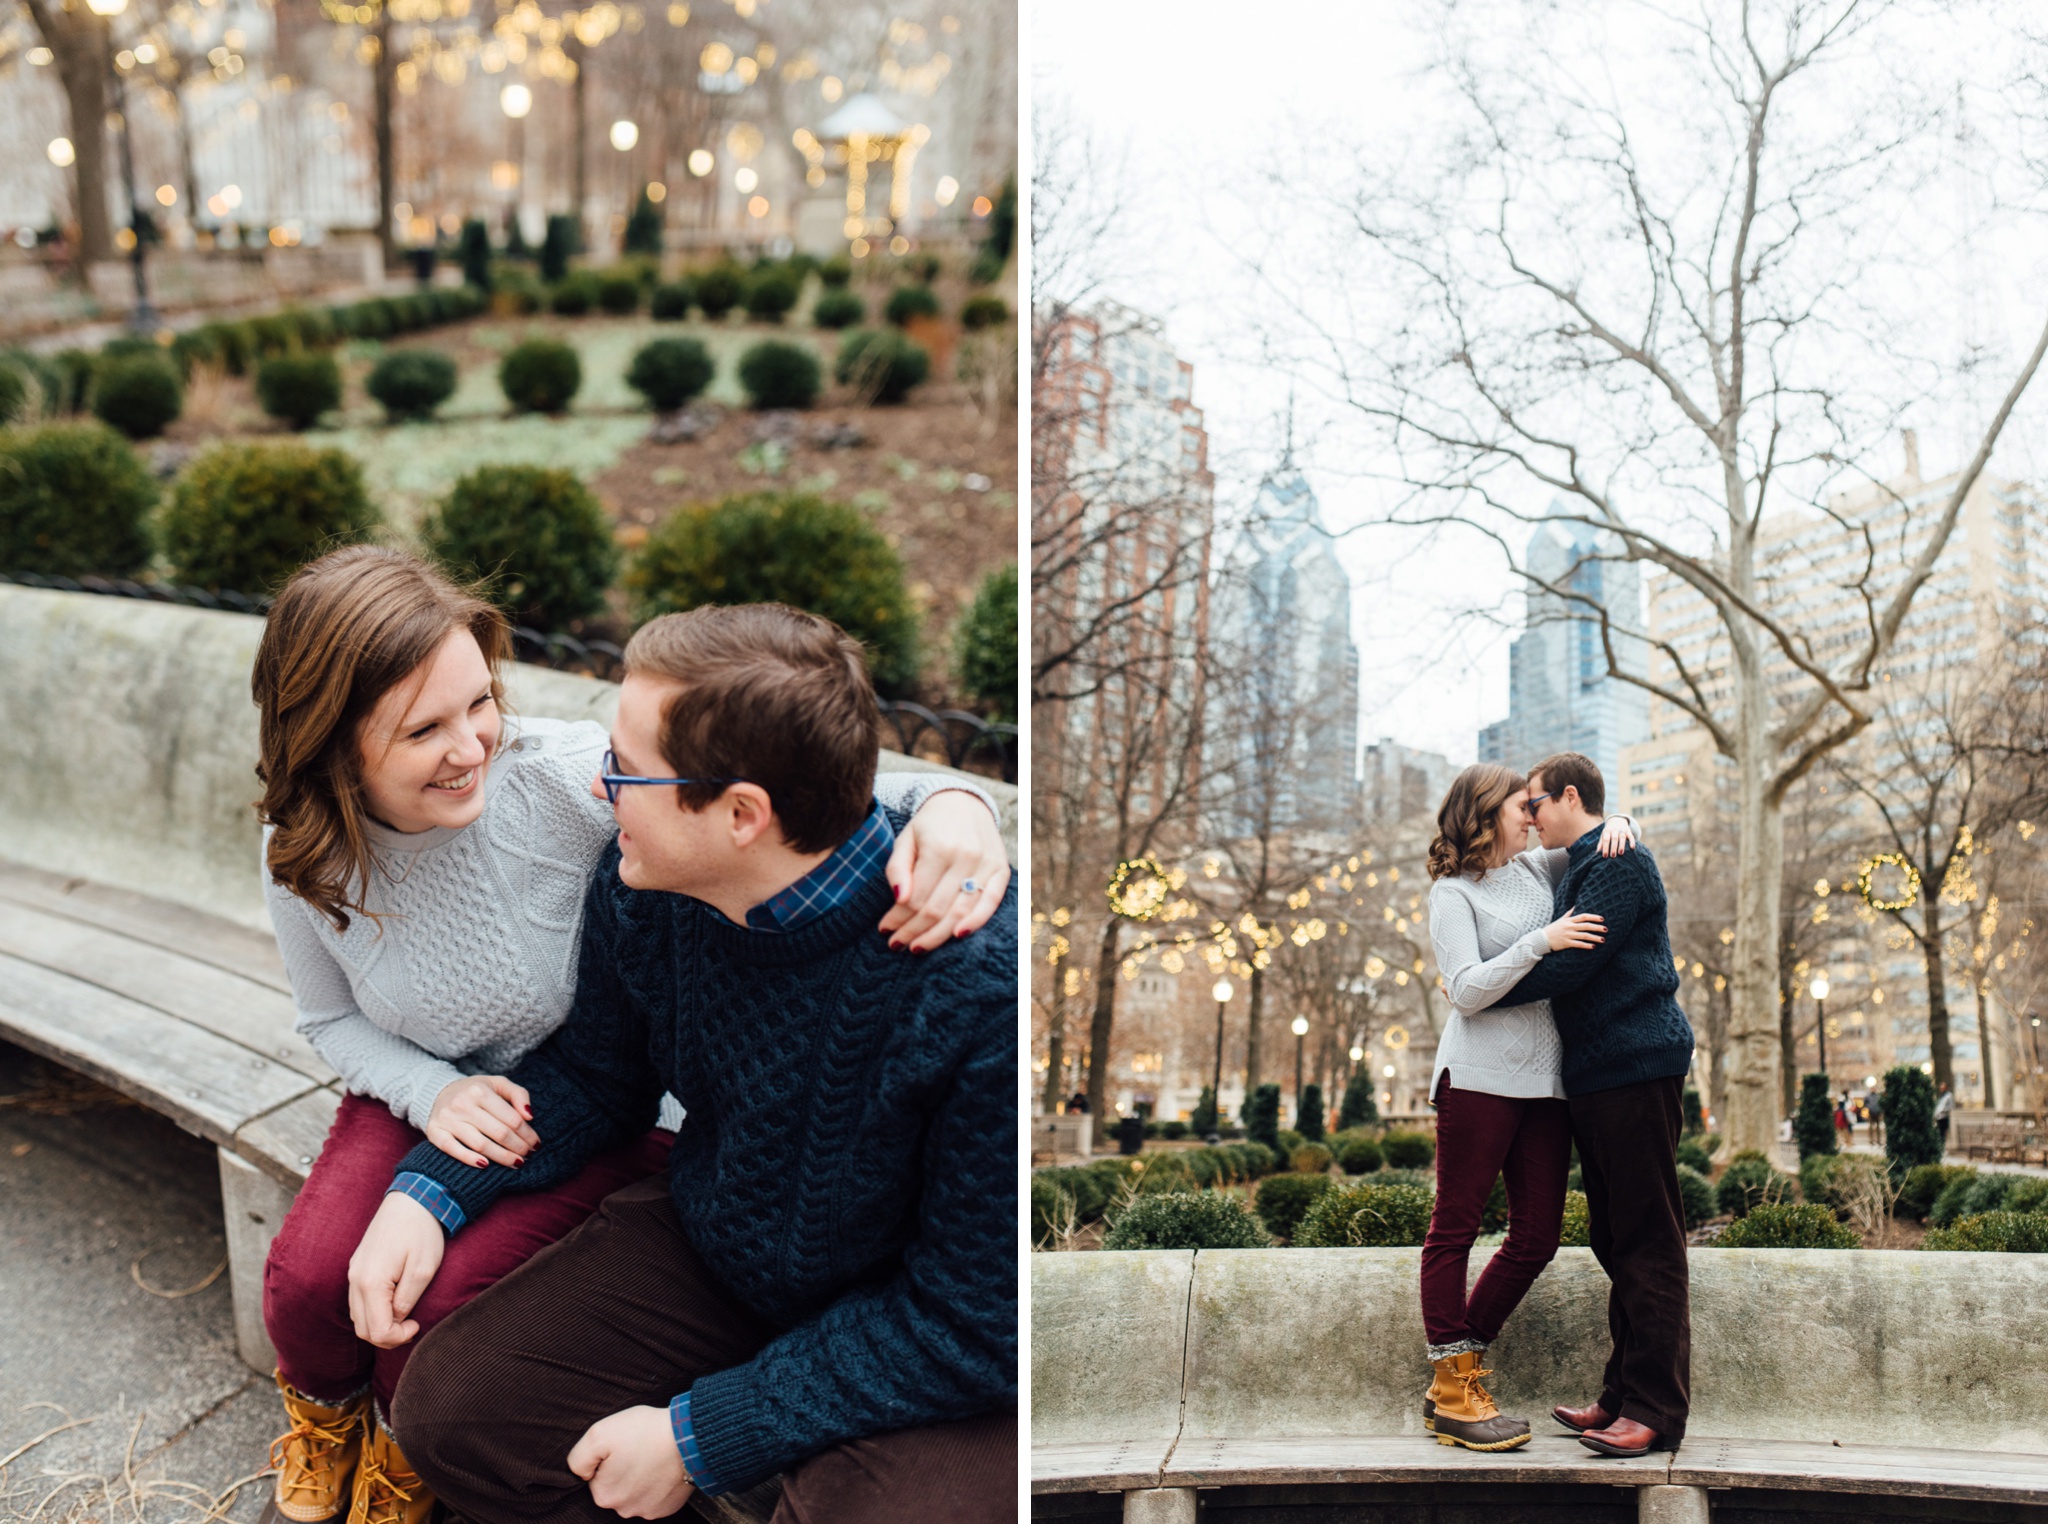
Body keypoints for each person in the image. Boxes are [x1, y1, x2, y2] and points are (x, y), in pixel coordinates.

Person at [251, 551, 1008, 1524]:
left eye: (628, 770)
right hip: (716, 1246)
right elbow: (596, 1078)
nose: (602, 789)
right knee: (451, 1411)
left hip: (898, 1309)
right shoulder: (648, 884)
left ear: (739, 815)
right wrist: (428, 1191)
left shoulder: (971, 985)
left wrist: (700, 1436)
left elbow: (968, 1320)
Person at [1480, 753, 1696, 1460]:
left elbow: (1574, 963)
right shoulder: (1583, 861)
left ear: (1570, 796)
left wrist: (1478, 987)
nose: (1529, 816)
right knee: (1614, 1238)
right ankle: (1621, 1394)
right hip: (1601, 1077)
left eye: (1536, 803)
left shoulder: (1619, 862)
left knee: (1647, 1240)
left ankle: (1657, 1410)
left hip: (1637, 1066)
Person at [1420, 763, 1638, 1452]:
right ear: (1487, 812)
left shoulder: (1538, 871)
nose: (1534, 815)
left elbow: (1593, 832)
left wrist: (1624, 826)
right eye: (1523, 805)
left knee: (1538, 1235)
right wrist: (1538, 942)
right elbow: (1465, 990)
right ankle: (1455, 1388)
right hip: (1478, 1077)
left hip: (1546, 1085)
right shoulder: (1452, 894)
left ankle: (1461, 1362)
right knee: (1454, 1226)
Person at [1935, 1081, 1954, 1151]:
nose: (1941, 1089)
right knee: (1939, 1132)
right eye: (1940, 1088)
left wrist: (1943, 1111)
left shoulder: (1949, 1096)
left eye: (1942, 1088)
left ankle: (1943, 1146)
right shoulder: (1941, 1097)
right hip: (1939, 1117)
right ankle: (1940, 1145)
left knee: (1943, 1132)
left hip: (1944, 1117)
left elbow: (1951, 1107)